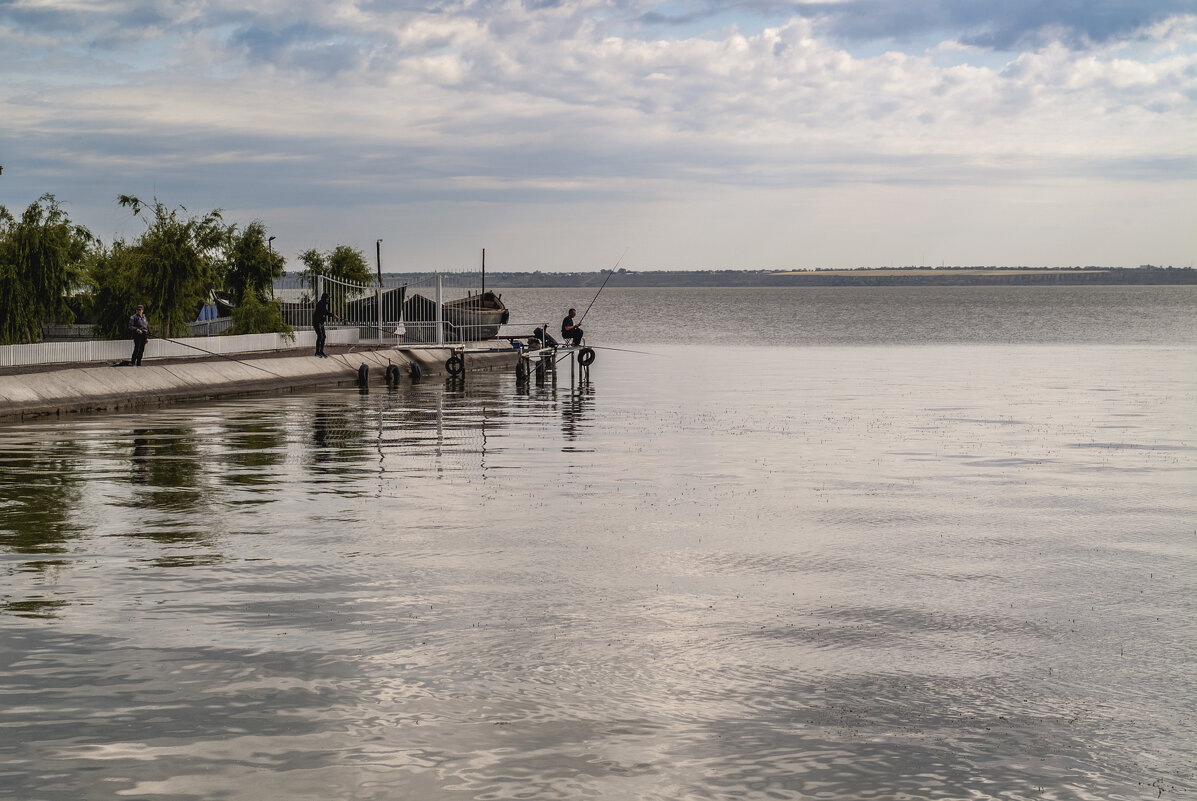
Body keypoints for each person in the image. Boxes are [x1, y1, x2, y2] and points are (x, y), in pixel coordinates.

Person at [313, 291, 338, 357]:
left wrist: (332, 315)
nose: (328, 299)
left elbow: (324, 313)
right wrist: (333, 315)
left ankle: (321, 352)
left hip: (321, 323)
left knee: (323, 336)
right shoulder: (320, 303)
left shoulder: (323, 304)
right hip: (317, 323)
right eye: (327, 298)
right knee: (320, 336)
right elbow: (325, 312)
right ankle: (317, 352)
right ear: (324, 298)